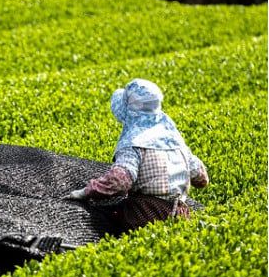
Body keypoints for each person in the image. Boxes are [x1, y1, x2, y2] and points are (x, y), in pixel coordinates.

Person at [65, 78, 209, 235]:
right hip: (180, 214)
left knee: (102, 218)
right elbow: (201, 179)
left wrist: (88, 191)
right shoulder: (176, 142)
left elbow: (119, 182)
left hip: (146, 214)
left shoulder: (134, 143)